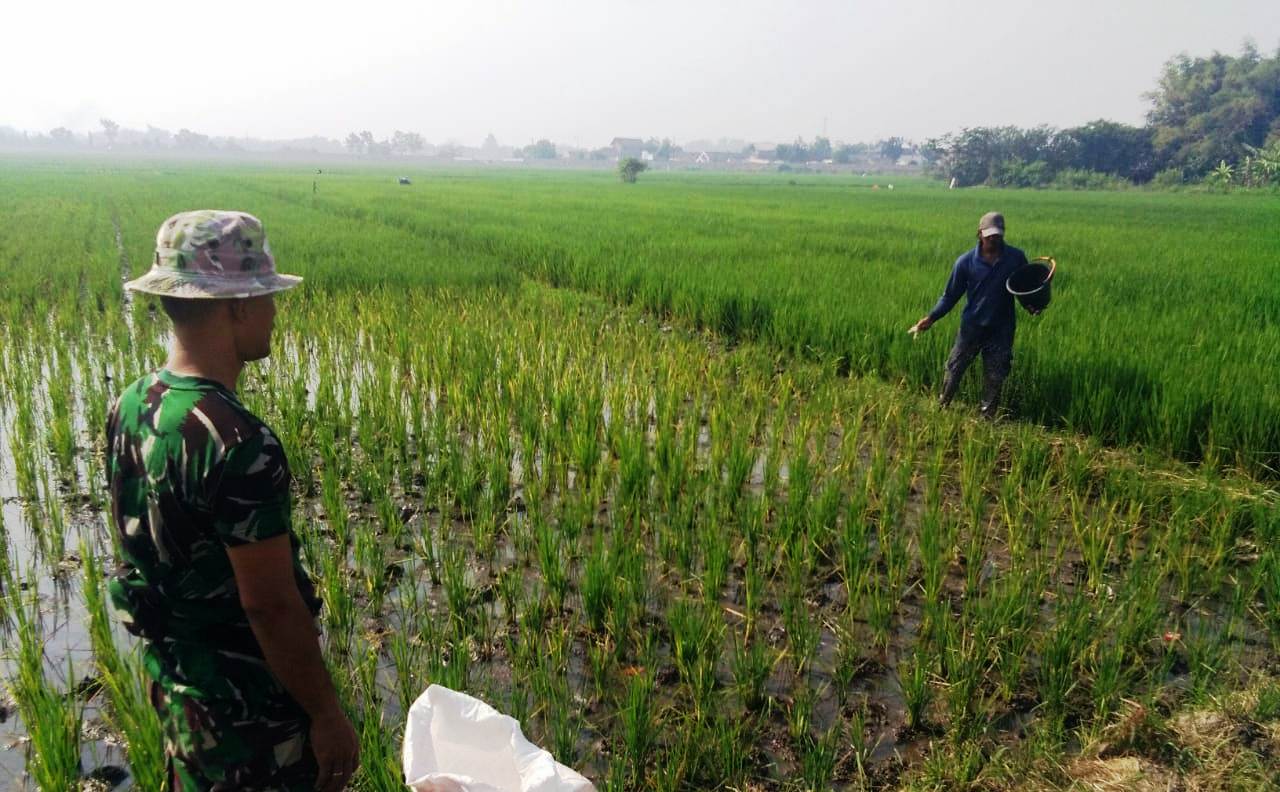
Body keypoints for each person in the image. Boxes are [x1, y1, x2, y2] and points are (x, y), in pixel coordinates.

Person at [106, 210, 359, 791]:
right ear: (238, 305)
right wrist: (326, 715)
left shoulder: (132, 403)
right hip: (247, 718)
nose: (274, 311)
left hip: (177, 690)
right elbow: (269, 607)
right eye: (267, 296)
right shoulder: (240, 443)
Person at [910, 211, 1029, 418]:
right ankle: (943, 405)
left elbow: (1023, 288)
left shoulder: (1015, 258)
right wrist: (931, 317)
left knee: (995, 373)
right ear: (979, 233)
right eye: (990, 234)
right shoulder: (965, 262)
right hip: (971, 327)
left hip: (1001, 328)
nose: (994, 238)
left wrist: (1031, 304)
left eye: (998, 234)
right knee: (954, 368)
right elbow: (950, 295)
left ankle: (987, 417)